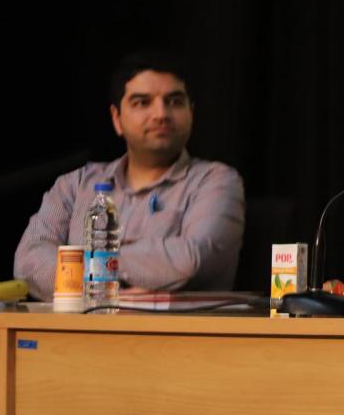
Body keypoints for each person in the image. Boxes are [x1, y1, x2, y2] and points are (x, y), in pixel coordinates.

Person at [14, 53, 245, 300]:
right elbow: (28, 261)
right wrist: (107, 288)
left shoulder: (216, 181)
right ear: (117, 119)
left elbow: (191, 259)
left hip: (174, 326)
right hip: (80, 324)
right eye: (142, 102)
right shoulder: (75, 185)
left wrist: (85, 269)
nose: (161, 114)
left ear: (191, 112)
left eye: (175, 101)